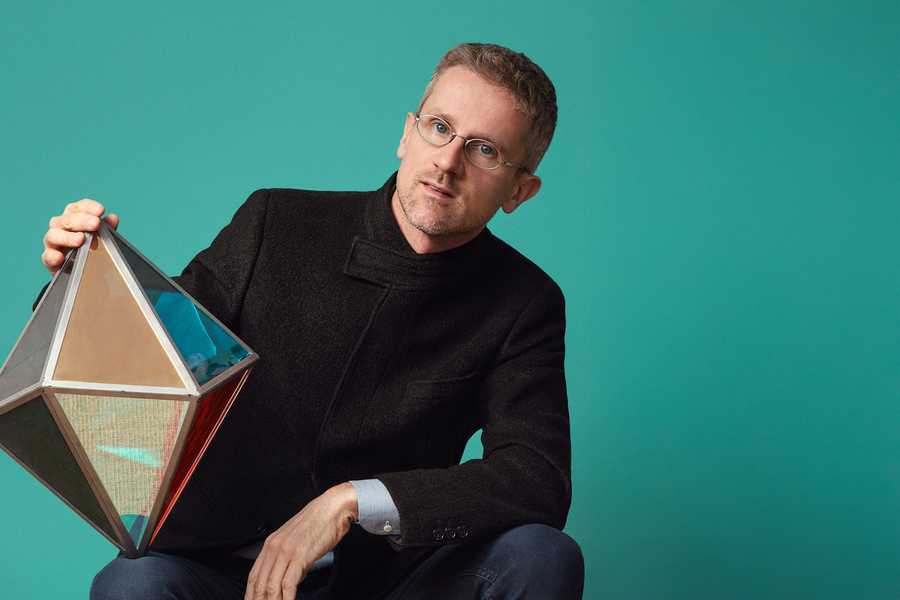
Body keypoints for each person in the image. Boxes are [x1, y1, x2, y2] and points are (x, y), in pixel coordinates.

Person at [41, 43, 584, 600]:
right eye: (439, 127)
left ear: (519, 191)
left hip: (387, 580)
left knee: (541, 555)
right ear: (406, 135)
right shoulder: (276, 223)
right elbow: (155, 351)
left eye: (484, 150)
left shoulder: (525, 301)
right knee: (134, 585)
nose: (447, 162)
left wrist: (351, 499)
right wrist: (83, 278)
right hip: (220, 571)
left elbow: (536, 476)